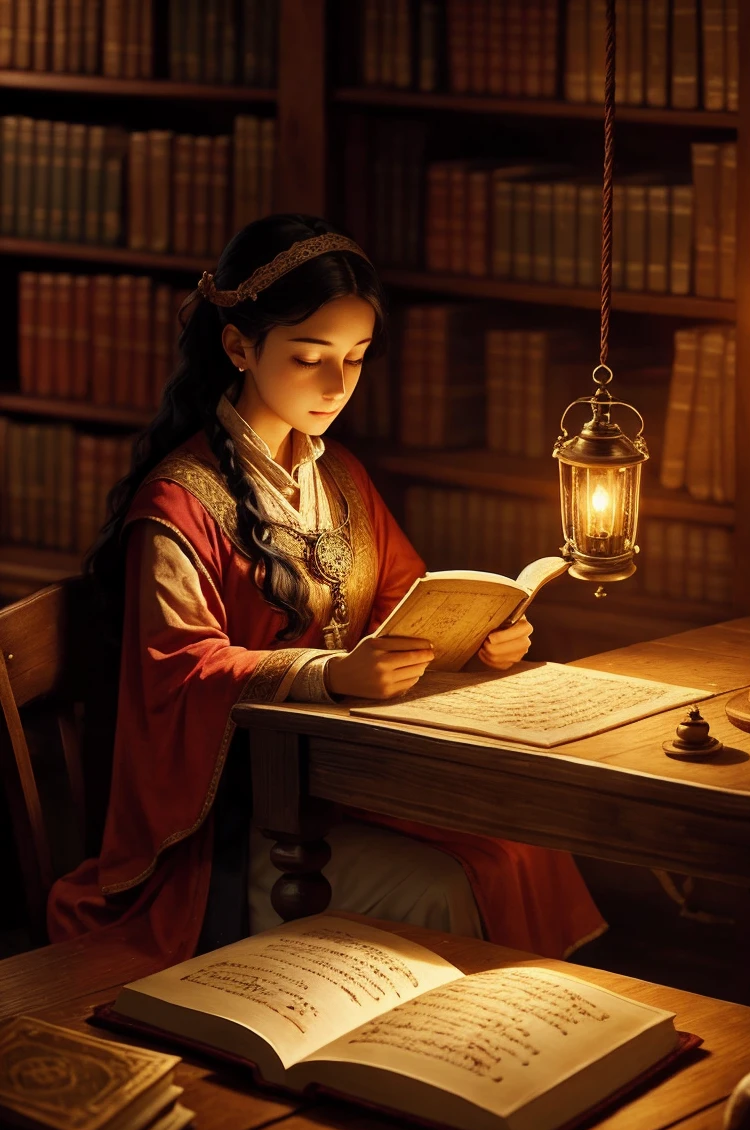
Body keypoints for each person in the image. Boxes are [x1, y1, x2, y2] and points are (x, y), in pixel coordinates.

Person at [47, 215, 606, 965]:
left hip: (341, 783)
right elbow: (180, 671)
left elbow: (406, 606)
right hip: (234, 827)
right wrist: (329, 674)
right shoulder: (178, 504)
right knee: (450, 882)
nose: (337, 384)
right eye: (310, 357)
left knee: (522, 846)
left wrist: (481, 639)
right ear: (240, 346)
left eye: (356, 357)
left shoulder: (338, 474)